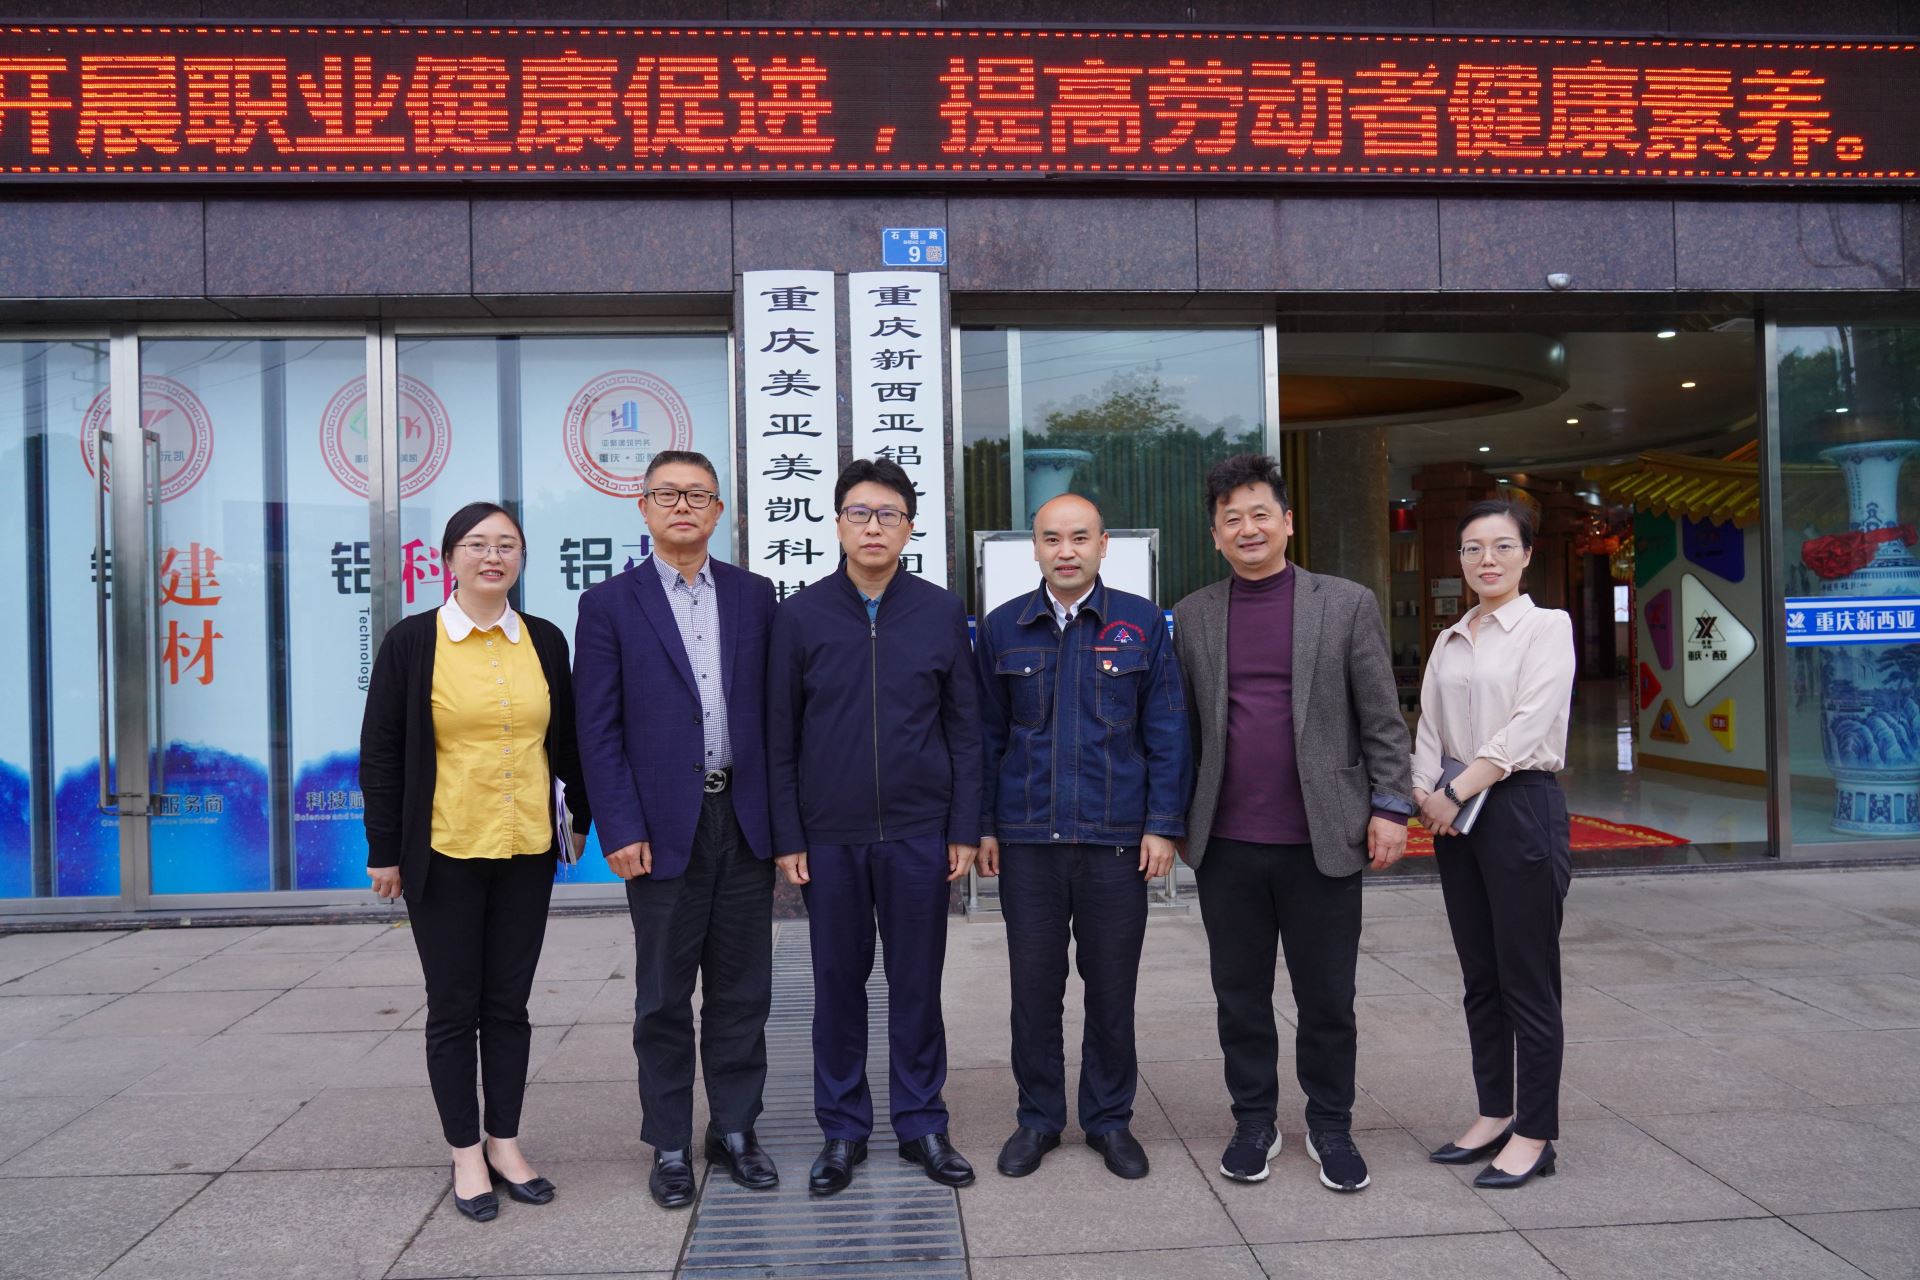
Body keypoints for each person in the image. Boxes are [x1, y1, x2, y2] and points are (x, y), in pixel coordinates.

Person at [1173, 453, 1413, 1193]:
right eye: (1231, 519)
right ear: (1215, 535)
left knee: (1327, 998)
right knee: (1239, 996)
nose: (1247, 529)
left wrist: (1391, 807)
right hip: (1227, 843)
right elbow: (1182, 729)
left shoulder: (1344, 604)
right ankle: (1254, 1120)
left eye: (1259, 514)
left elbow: (1382, 717)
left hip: (1324, 837)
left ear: (1287, 522)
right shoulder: (1193, 615)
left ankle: (1331, 1125)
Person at [361, 501, 591, 1223]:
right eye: (477, 544)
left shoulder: (544, 639)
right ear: (448, 558)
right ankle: (465, 1151)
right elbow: (382, 751)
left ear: (521, 558)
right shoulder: (413, 641)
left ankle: (505, 1142)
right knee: (455, 1006)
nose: (493, 557)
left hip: (526, 850)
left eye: (507, 545)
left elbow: (568, 741)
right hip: (445, 851)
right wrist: (383, 851)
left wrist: (578, 822)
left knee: (510, 1006)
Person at [767, 457, 984, 1197]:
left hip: (921, 833)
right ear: (837, 524)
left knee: (918, 984)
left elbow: (965, 729)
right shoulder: (799, 616)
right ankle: (843, 1130)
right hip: (830, 837)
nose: (873, 527)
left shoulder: (939, 612)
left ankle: (922, 1123)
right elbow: (780, 736)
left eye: (888, 514)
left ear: (909, 528)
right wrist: (789, 835)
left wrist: (963, 825)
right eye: (859, 513)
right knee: (837, 985)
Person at [572, 450, 781, 1210]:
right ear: (644, 508)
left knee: (742, 989)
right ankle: (667, 1142)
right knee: (662, 995)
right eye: (668, 494)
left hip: (743, 818)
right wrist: (619, 826)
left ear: (719, 510)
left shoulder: (755, 595)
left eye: (698, 495)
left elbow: (775, 713)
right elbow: (597, 728)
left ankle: (734, 1130)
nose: (683, 506)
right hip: (659, 829)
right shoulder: (609, 604)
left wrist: (783, 824)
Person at [974, 494, 1192, 1181]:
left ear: (1103, 546)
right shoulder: (1004, 628)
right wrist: (985, 826)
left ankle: (1108, 1120)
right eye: (1051, 539)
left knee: (1112, 990)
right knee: (1034, 991)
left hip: (1115, 841)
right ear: (1035, 549)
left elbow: (1167, 730)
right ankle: (1038, 1118)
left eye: (1078, 538)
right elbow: (984, 737)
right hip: (1028, 843)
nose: (1065, 551)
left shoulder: (1140, 624)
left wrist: (1162, 825)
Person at [1413, 499, 1576, 1190]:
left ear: (1527, 555)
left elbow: (1527, 726)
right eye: (1473, 547)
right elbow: (1428, 726)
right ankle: (1494, 1112)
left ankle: (1535, 1133)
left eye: (1503, 546)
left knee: (1526, 978)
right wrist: (1424, 790)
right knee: (1480, 975)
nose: (1488, 559)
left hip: (1518, 807)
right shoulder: (1450, 637)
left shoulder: (1547, 627)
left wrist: (1453, 792)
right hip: (1456, 816)